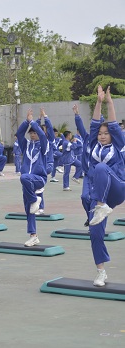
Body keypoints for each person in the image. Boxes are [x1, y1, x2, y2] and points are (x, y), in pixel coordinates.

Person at [87, 86, 125, 287]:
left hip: (117, 188)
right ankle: (101, 271)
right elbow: (94, 124)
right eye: (100, 133)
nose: (102, 135)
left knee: (101, 168)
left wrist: (109, 102)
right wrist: (98, 102)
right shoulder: (93, 144)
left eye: (106, 133)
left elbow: (112, 123)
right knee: (94, 233)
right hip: (98, 193)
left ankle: (101, 206)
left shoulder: (119, 144)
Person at [16, 109, 49, 247]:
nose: (33, 134)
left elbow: (42, 135)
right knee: (29, 209)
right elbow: (19, 134)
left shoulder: (44, 145)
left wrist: (33, 122)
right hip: (27, 182)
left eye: (35, 132)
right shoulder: (26, 145)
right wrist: (26, 122)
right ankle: (33, 235)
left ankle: (36, 199)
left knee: (24, 177)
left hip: (39, 178)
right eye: (31, 132)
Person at [73, 104, 92, 226]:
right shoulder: (87, 138)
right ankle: (90, 217)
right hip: (88, 176)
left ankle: (95, 223)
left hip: (101, 176)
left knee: (97, 201)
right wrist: (77, 115)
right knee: (85, 197)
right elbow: (80, 126)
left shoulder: (105, 142)